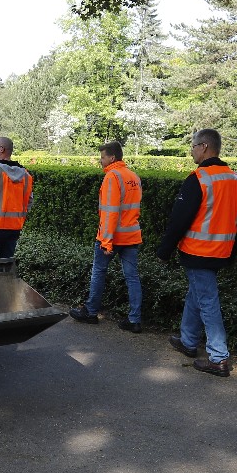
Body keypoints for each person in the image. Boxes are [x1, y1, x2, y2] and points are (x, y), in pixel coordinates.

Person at [157, 129, 237, 376]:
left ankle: (219, 357)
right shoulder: (235, 179)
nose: (192, 151)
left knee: (207, 301)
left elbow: (179, 220)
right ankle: (188, 340)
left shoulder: (199, 178)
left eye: (193, 146)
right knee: (197, 294)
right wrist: (232, 253)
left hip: (198, 251)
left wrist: (164, 251)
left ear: (204, 147)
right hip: (221, 251)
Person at [70, 141, 144, 332]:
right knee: (132, 277)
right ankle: (135, 320)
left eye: (102, 157)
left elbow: (111, 212)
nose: (100, 160)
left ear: (112, 158)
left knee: (99, 272)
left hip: (112, 237)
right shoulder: (133, 176)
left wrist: (106, 241)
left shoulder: (112, 177)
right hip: (131, 236)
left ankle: (91, 312)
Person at [0, 137, 33, 260]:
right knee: (6, 265)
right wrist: (19, 219)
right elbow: (29, 201)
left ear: (1, 149)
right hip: (14, 227)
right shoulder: (26, 175)